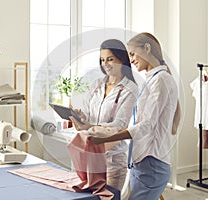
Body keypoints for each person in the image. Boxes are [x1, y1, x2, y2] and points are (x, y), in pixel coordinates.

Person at [88, 32, 178, 199]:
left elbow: (145, 126)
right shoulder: (152, 80)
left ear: (147, 48)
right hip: (141, 162)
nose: (131, 60)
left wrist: (103, 139)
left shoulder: (161, 80)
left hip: (151, 163)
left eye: (132, 54)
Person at [70, 39, 138, 191]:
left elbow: (119, 125)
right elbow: (88, 112)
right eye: (102, 60)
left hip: (113, 160)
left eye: (110, 59)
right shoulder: (97, 84)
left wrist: (90, 126)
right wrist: (82, 117)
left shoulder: (130, 89)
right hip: (91, 157)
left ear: (122, 59)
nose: (105, 63)